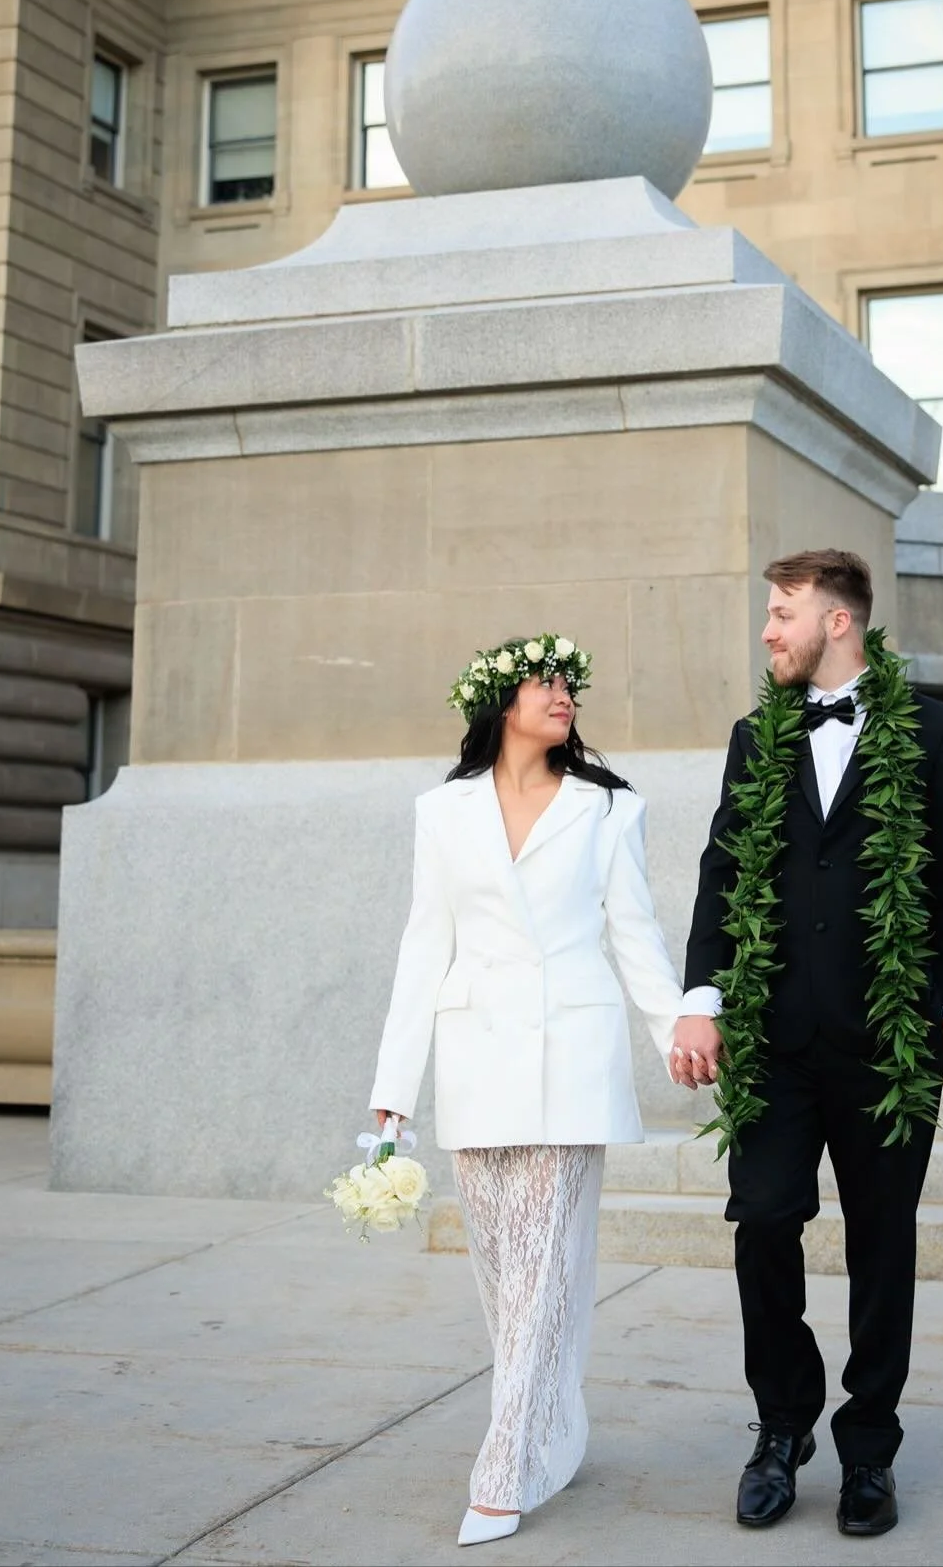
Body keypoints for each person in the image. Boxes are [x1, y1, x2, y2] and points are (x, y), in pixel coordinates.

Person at [670, 549, 943, 1539]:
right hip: (772, 1036)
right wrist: (701, 994)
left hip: (887, 1043)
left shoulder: (935, 732)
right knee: (763, 1216)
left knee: (881, 1243)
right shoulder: (752, 735)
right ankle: (782, 1421)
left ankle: (869, 1448)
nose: (768, 629)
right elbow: (721, 870)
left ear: (836, 622)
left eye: (782, 612)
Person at [368, 633, 684, 1549]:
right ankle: (557, 1425)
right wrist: (395, 1088)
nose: (564, 696)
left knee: (545, 1271)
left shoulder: (606, 810)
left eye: (570, 684)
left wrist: (676, 1034)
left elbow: (634, 934)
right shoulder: (441, 812)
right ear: (500, 701)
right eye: (546, 682)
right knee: (506, 1281)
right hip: (474, 1061)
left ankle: (502, 1469)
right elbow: (423, 947)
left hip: (569, 1059)